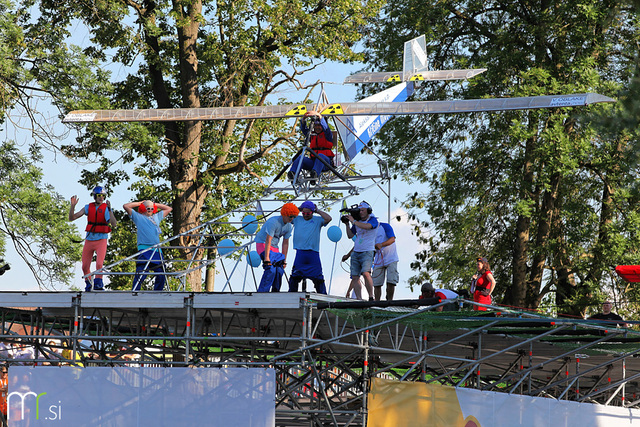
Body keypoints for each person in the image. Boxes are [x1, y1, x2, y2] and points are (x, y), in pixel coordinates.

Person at [69, 186, 117, 291]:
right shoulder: (88, 207)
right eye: (99, 196)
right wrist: (72, 206)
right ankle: (89, 283)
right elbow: (72, 218)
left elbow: (114, 224)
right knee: (85, 266)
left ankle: (99, 284)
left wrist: (109, 210)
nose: (101, 198)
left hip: (101, 240)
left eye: (103, 196)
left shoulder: (105, 208)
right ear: (95, 196)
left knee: (99, 263)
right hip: (89, 240)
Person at [123, 200, 173, 291]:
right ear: (143, 208)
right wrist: (139, 203)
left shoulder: (156, 217)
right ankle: (135, 291)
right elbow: (126, 206)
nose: (150, 210)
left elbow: (169, 208)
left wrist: (155, 204)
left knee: (161, 273)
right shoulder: (138, 217)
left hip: (157, 250)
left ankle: (158, 292)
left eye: (151, 208)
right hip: (144, 249)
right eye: (147, 208)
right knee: (141, 271)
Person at [288, 201, 332, 294]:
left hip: (313, 253)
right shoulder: (297, 219)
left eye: (308, 213)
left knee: (318, 276)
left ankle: (323, 296)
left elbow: (328, 218)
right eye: (303, 213)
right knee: (295, 275)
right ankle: (291, 294)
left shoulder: (318, 220)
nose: (305, 215)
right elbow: (287, 214)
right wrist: (298, 210)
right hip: (300, 252)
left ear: (312, 212)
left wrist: (318, 210)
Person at [255, 203, 299, 292]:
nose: (292, 219)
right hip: (263, 244)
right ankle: (262, 292)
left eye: (294, 217)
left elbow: (285, 243)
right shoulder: (273, 222)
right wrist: (267, 258)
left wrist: (284, 260)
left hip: (274, 247)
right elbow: (268, 240)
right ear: (284, 214)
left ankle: (275, 291)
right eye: (290, 216)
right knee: (270, 269)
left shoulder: (289, 226)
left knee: (279, 270)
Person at [341, 201, 378, 300]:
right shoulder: (357, 222)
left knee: (366, 273)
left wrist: (353, 221)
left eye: (362, 210)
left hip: (367, 251)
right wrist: (347, 224)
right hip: (356, 251)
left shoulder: (373, 219)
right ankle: (358, 298)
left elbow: (367, 227)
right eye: (359, 210)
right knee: (355, 277)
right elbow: (350, 235)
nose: (360, 212)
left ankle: (371, 296)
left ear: (368, 211)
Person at [288, 110, 334, 186]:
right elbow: (304, 130)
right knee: (299, 157)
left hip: (325, 163)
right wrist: (303, 119)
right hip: (313, 163)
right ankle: (293, 174)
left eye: (319, 126)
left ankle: (315, 174)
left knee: (321, 156)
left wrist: (319, 116)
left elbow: (326, 128)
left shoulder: (327, 135)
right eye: (315, 126)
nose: (317, 128)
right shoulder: (312, 135)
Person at [372, 222, 399, 301]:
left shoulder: (384, 226)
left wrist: (381, 244)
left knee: (391, 281)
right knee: (376, 283)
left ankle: (389, 300)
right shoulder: (368, 232)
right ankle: (377, 301)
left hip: (391, 257)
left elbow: (392, 239)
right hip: (378, 259)